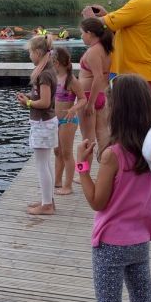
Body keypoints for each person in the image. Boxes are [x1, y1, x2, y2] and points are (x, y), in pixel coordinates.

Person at [76, 74, 151, 302]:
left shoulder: (113, 155)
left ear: (117, 109)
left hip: (110, 245)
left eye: (109, 101)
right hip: (140, 243)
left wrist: (82, 168)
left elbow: (98, 202)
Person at [17, 35, 58, 215]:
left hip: (43, 123)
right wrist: (30, 98)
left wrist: (28, 103)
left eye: (31, 53)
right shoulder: (46, 71)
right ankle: (47, 199)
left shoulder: (45, 74)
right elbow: (41, 98)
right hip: (45, 123)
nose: (29, 56)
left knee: (42, 164)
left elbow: (45, 102)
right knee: (46, 163)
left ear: (38, 53)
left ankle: (47, 205)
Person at [53, 47, 86, 195]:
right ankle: (57, 181)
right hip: (55, 120)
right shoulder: (53, 77)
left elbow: (83, 99)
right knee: (57, 151)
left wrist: (73, 109)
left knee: (66, 153)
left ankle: (68, 186)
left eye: (51, 60)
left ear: (57, 62)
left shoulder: (71, 80)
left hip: (68, 121)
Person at [78, 18, 113, 159]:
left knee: (87, 138)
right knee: (102, 133)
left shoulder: (93, 51)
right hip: (102, 94)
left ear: (90, 33)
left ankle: (84, 171)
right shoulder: (106, 48)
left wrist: (90, 103)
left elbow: (97, 77)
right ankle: (106, 168)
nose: (81, 36)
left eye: (82, 33)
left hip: (89, 96)